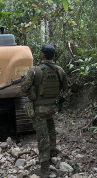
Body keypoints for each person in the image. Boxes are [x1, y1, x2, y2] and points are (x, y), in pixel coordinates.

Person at [21, 44, 67, 177]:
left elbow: (23, 89)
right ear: (54, 55)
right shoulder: (60, 70)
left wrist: (28, 83)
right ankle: (53, 152)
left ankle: (45, 168)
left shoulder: (34, 71)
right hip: (53, 108)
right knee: (51, 126)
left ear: (42, 55)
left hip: (39, 110)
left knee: (42, 137)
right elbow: (65, 87)